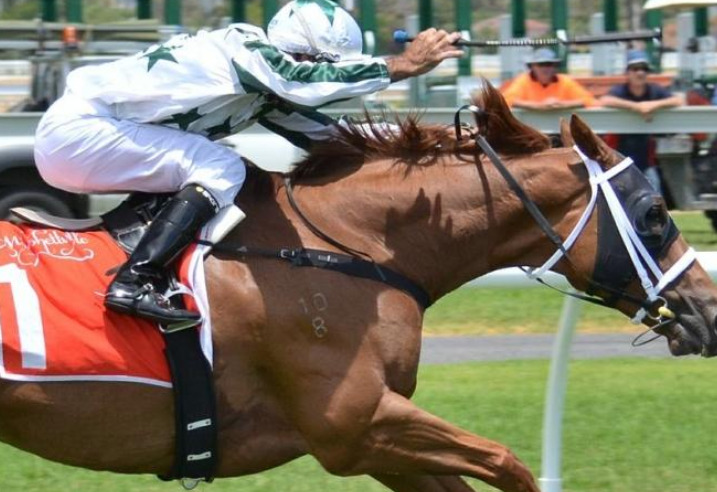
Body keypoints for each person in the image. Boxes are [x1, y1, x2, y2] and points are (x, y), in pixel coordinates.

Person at [33, 0, 463, 328]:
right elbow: (300, 81)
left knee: (213, 166)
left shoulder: (263, 87)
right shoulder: (245, 50)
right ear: (294, 51)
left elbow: (334, 136)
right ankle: (134, 281)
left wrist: (444, 143)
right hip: (81, 131)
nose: (320, 75)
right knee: (222, 166)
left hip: (92, 140)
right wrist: (402, 65)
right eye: (316, 63)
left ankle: (157, 270)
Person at [599, 51, 683, 193]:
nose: (640, 73)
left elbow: (678, 100)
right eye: (635, 69)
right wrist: (637, 107)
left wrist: (652, 105)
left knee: (655, 196)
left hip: (646, 158)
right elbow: (605, 100)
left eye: (644, 69)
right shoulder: (620, 90)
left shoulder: (654, 90)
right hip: (618, 158)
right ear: (627, 73)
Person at [501, 47, 597, 110]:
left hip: (561, 131)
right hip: (529, 132)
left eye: (550, 64)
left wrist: (561, 104)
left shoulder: (565, 81)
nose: (545, 68)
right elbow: (506, 101)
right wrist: (538, 106)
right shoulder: (523, 80)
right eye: (541, 64)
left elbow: (589, 100)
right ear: (532, 67)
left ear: (555, 67)